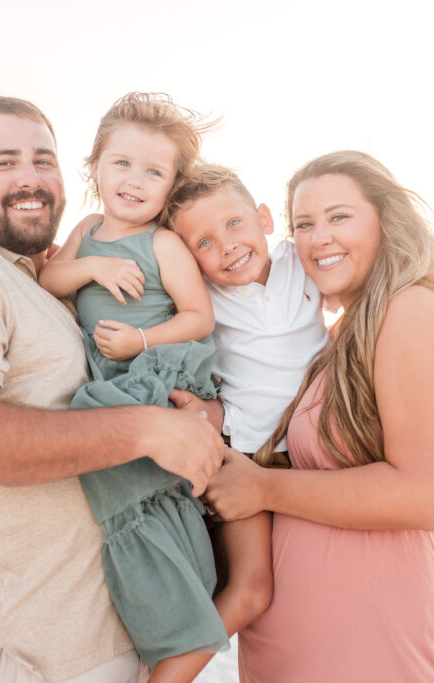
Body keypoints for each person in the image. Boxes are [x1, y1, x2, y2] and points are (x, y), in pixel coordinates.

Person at [0, 93, 224, 683]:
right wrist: (148, 429)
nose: (29, 177)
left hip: (105, 640)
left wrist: (199, 411)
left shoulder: (43, 286)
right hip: (18, 652)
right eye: (3, 161)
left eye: (44, 160)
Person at [201, 151, 434, 681]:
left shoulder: (416, 309)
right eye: (303, 225)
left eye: (338, 217)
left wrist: (262, 490)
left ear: (385, 219)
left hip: (380, 639)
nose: (317, 238)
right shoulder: (342, 335)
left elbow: (421, 495)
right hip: (317, 644)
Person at [38, 92, 233, 679]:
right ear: (95, 166)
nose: (135, 180)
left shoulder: (163, 244)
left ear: (170, 186)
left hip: (149, 373)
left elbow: (199, 317)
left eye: (154, 171)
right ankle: (153, 609)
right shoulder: (87, 231)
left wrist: (140, 344)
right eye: (121, 163)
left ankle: (176, 608)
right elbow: (51, 278)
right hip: (112, 380)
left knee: (147, 496)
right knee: (115, 492)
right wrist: (92, 267)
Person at [161, 163, 330, 679]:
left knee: (317, 580)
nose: (227, 246)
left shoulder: (302, 265)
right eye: (204, 243)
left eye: (234, 224)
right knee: (252, 590)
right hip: (244, 451)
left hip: (315, 450)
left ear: (263, 218)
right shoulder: (203, 302)